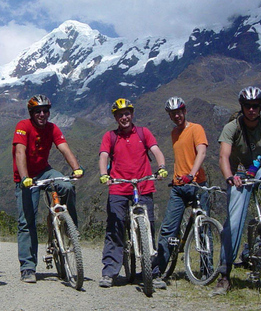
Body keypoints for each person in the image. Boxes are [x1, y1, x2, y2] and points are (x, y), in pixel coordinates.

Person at [212, 86, 261, 296]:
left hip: (259, 171)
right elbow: (223, 156)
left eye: (255, 106)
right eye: (248, 106)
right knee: (234, 221)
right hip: (239, 174)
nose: (252, 110)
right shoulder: (232, 127)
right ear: (242, 107)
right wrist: (229, 177)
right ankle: (224, 274)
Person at [12, 94, 84, 283]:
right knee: (27, 222)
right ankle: (28, 268)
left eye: (45, 111)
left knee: (66, 186)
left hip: (45, 171)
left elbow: (64, 148)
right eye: (38, 111)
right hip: (26, 176)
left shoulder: (52, 128)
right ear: (31, 113)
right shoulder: (23, 126)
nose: (42, 114)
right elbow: (20, 152)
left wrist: (76, 168)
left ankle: (70, 227)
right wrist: (25, 178)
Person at [98, 98, 168, 288]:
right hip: (118, 187)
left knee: (148, 228)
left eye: (127, 113)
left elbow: (156, 150)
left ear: (132, 114)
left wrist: (161, 167)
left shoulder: (143, 133)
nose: (124, 117)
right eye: (120, 115)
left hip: (143, 186)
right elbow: (104, 155)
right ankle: (110, 272)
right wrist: (104, 174)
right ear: (115, 117)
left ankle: (153, 273)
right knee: (115, 229)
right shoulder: (110, 136)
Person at [151, 97, 209, 289]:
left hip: (197, 184)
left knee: (203, 229)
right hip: (178, 186)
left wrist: (192, 175)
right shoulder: (174, 132)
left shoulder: (196, 129)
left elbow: (201, 152)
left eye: (179, 111)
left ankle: (207, 271)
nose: (177, 116)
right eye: (173, 113)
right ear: (169, 115)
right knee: (168, 229)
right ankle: (158, 271)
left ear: (185, 111)